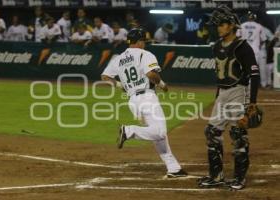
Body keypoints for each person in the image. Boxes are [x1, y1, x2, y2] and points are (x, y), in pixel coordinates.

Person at [101, 28, 188, 178]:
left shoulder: (119, 58)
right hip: (147, 97)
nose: (145, 44)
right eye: (144, 41)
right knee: (159, 132)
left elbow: (105, 76)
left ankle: (173, 168)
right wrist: (162, 84)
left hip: (132, 101)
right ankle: (129, 131)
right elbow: (151, 74)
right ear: (140, 41)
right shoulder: (145, 54)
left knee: (157, 134)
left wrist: (121, 86)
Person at [197, 6, 260, 190]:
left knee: (238, 134)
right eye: (217, 25)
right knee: (211, 132)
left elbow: (254, 75)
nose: (219, 28)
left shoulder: (242, 47)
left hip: (239, 92)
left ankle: (239, 178)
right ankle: (216, 176)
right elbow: (220, 77)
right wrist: (218, 99)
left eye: (222, 24)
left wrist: (252, 103)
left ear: (232, 25)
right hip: (223, 94)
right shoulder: (216, 46)